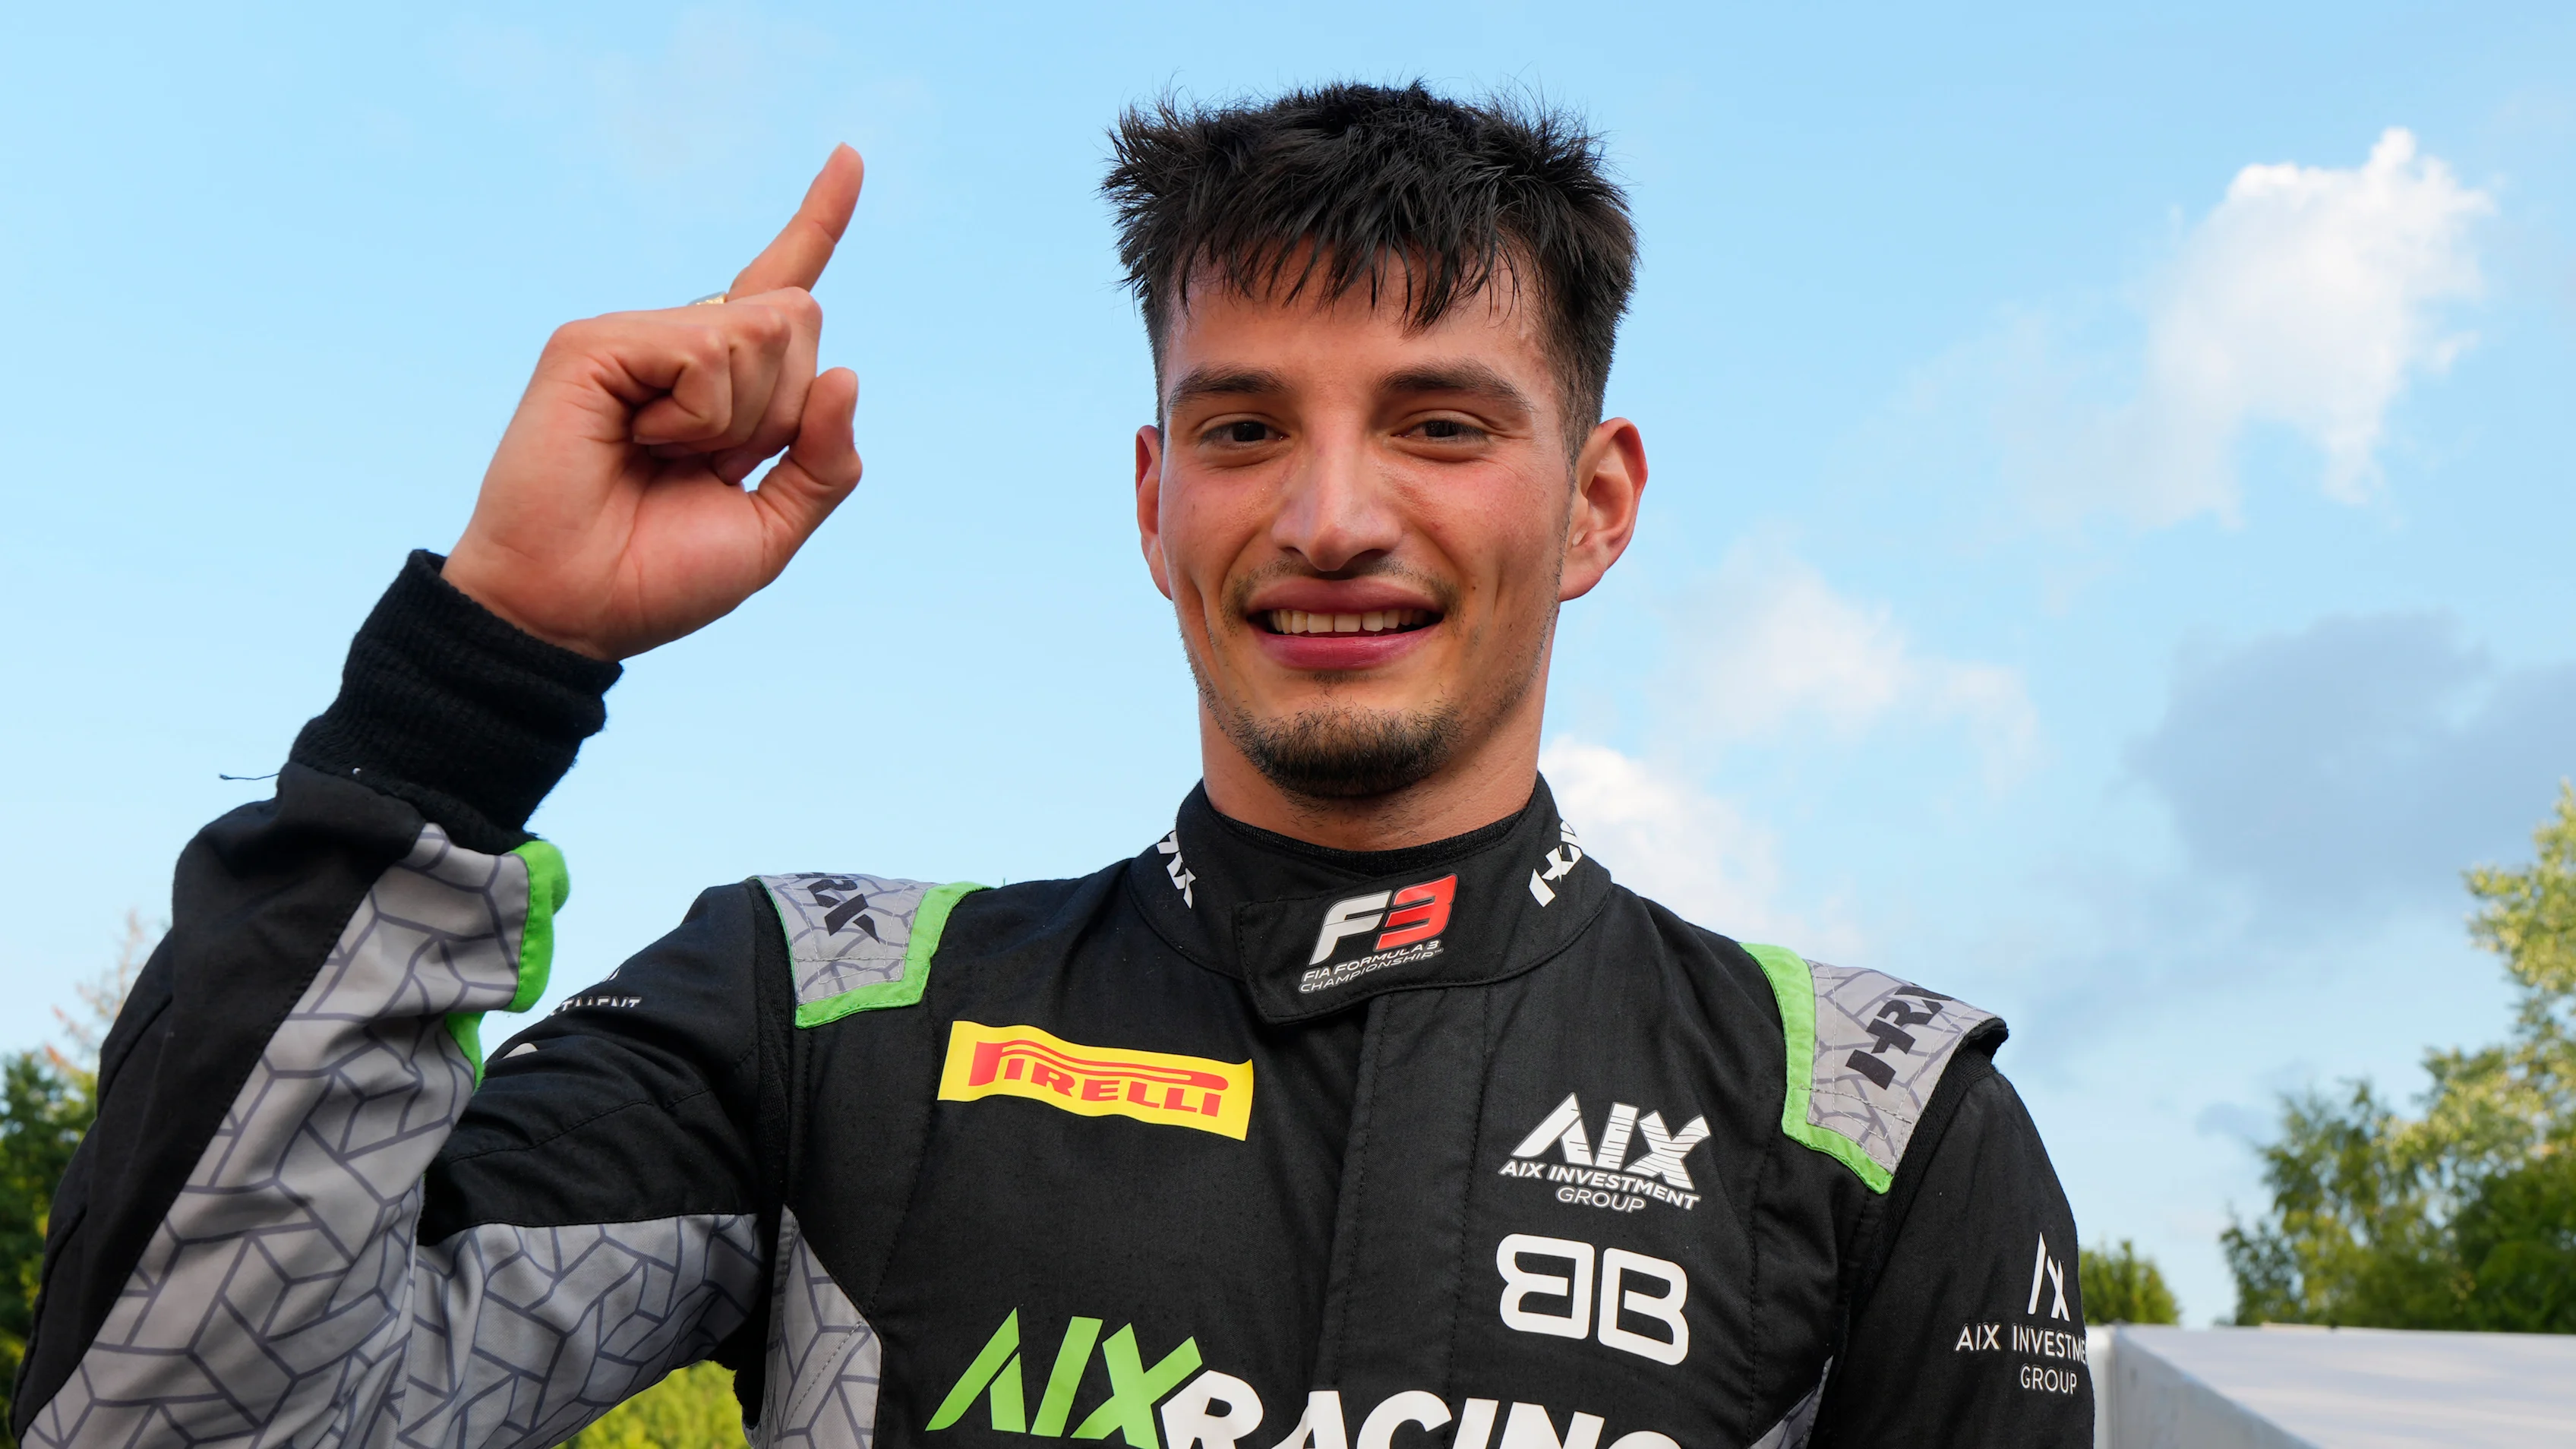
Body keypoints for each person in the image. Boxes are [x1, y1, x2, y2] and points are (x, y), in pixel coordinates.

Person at [14, 84, 2091, 1449]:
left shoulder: (1875, 1122)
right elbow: (174, 1419)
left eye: (1442, 425)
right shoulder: (823, 1014)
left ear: (1597, 503)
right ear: (1154, 495)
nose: (1332, 516)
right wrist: (487, 665)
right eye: (1245, 428)